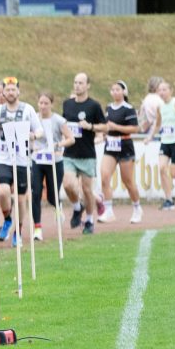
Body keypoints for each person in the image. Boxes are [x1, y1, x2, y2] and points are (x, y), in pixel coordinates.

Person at [0, 77, 42, 246]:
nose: (10, 92)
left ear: (18, 91)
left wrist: (33, 135)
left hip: (22, 159)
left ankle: (18, 232)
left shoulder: (28, 109)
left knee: (20, 199)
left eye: (13, 89)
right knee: (2, 191)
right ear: (3, 92)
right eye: (7, 89)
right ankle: (8, 219)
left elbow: (39, 130)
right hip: (3, 157)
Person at [61, 73, 107, 235]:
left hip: (87, 154)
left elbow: (105, 127)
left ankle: (89, 220)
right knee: (67, 184)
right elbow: (63, 125)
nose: (77, 85)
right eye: (75, 82)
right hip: (69, 154)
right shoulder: (67, 104)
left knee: (87, 191)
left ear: (88, 85)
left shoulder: (93, 106)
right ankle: (76, 207)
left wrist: (90, 127)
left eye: (81, 83)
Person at [96, 81, 142, 224]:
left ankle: (137, 208)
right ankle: (108, 211)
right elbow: (105, 126)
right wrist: (101, 135)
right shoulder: (108, 108)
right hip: (110, 145)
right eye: (113, 89)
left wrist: (117, 126)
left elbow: (134, 129)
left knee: (127, 180)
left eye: (118, 89)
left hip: (124, 144)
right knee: (104, 177)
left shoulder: (128, 109)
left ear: (124, 92)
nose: (115, 92)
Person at [31, 92, 75, 238]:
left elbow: (71, 139)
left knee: (51, 195)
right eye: (41, 103)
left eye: (46, 103)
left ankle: (58, 206)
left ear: (51, 104)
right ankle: (37, 228)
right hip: (37, 160)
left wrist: (58, 144)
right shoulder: (34, 119)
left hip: (54, 161)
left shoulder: (58, 120)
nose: (43, 106)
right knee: (35, 193)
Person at [144, 81, 175, 210]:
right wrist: (150, 137)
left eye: (164, 89)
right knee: (162, 168)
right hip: (165, 142)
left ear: (171, 90)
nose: (162, 92)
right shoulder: (160, 106)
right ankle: (169, 200)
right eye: (160, 90)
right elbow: (158, 125)